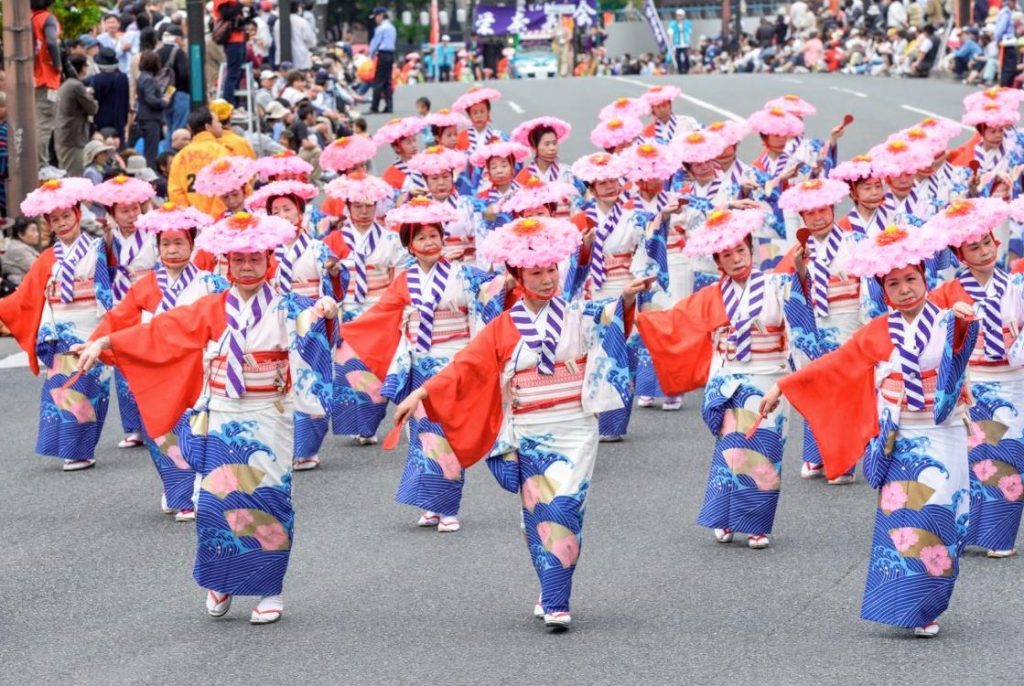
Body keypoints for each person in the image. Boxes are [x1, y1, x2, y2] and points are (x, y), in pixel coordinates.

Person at [74, 210, 339, 625]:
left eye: (255, 259)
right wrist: (106, 341)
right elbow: (161, 331)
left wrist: (325, 310)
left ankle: (269, 588)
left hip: (269, 413)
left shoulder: (288, 307)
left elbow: (312, 326)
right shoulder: (211, 307)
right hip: (222, 412)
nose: (247, 266)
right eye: (238, 260)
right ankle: (222, 577)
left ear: (270, 261)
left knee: (270, 499)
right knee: (217, 499)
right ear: (226, 265)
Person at [393, 216, 648, 631]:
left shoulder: (580, 314)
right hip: (530, 429)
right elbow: (464, 366)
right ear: (517, 274)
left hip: (575, 426)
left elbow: (613, 318)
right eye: (536, 273)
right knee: (539, 510)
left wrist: (627, 300)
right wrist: (420, 393)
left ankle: (555, 594)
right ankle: (553, 592)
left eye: (552, 270)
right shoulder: (504, 326)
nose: (547, 280)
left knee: (566, 507)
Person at [759, 223, 978, 638]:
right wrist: (781, 386)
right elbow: (833, 366)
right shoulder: (878, 331)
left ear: (925, 279)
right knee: (903, 517)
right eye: (894, 284)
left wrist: (964, 325)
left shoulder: (949, 319)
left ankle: (929, 600)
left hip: (943, 430)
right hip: (900, 437)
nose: (905, 289)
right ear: (883, 291)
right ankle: (907, 605)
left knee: (942, 517)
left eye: (911, 279)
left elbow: (960, 349)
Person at [338, 197, 507, 533]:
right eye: (421, 238)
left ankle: (446, 506)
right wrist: (341, 332)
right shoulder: (404, 281)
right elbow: (381, 316)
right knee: (424, 435)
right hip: (419, 365)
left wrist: (509, 283)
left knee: (451, 432)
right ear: (409, 246)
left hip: (456, 363)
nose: (430, 243)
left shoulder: (464, 274)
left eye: (434, 236)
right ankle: (433, 505)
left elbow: (492, 298)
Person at [638, 208, 800, 550]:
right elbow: (673, 323)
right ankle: (726, 517)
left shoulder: (776, 284)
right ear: (718, 261)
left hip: (770, 375)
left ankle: (756, 523)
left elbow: (800, 318)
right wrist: (633, 311)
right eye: (728, 255)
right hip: (731, 378)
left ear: (752, 251)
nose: (737, 259)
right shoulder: (712, 296)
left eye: (741, 251)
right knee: (731, 449)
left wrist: (801, 268)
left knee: (765, 448)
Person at [85, 203, 224, 521]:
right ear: (157, 246)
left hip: (197, 367)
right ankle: (180, 492)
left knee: (199, 428)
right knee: (162, 432)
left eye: (179, 242)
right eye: (166, 243)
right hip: (156, 370)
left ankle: (195, 493)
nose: (172, 250)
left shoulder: (210, 283)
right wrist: (94, 343)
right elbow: (118, 320)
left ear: (192, 243)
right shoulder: (146, 286)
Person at [925, 199, 1024, 559]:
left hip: (1015, 381)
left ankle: (1000, 536)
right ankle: (964, 531)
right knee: (970, 459)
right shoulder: (947, 293)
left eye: (986, 243)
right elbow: (928, 334)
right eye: (973, 247)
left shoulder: (1017, 281)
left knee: (1008, 458)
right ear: (959, 254)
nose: (983, 252)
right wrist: (951, 318)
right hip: (972, 381)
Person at [0, 178, 112, 472]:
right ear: (49, 223)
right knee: (64, 387)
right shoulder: (48, 257)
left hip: (93, 325)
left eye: (66, 216)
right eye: (55, 220)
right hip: (60, 328)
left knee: (90, 385)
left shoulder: (99, 247)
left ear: (77, 215)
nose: (62, 224)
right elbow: (24, 296)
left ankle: (80, 447)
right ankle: (74, 448)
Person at [245, 177, 343, 471]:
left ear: (300, 212)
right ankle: (281, 444)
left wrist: (335, 272)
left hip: (308, 319)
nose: (283, 216)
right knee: (276, 381)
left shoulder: (316, 248)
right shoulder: (262, 250)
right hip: (273, 319)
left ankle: (307, 447)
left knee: (308, 380)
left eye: (288, 209)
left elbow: (334, 284)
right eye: (275, 211)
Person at [323, 172, 407, 444]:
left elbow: (401, 275)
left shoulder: (391, 239)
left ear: (377, 207)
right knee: (350, 367)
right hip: (347, 307)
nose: (362, 211)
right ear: (347, 207)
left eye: (368, 206)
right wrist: (333, 274)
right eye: (356, 206)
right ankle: (359, 422)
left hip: (380, 308)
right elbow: (323, 278)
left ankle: (371, 420)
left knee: (377, 367)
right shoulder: (334, 240)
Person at [167, 108, 231, 215]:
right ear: (207, 126)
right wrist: (214, 217)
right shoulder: (221, 151)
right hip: (216, 220)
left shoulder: (179, 156)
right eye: (217, 121)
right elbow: (226, 188)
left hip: (190, 221)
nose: (220, 124)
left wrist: (190, 218)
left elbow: (175, 192)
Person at [54, 54, 98, 178]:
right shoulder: (76, 86)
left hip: (64, 136)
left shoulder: (67, 84)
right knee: (74, 177)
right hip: (73, 138)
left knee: (66, 174)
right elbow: (93, 108)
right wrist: (90, 96)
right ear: (82, 68)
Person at [32, 0, 62, 166]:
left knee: (38, 122)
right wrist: (58, 65)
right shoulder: (47, 18)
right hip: (47, 76)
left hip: (35, 76)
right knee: (44, 124)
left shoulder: (31, 19)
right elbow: (51, 42)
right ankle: (41, 164)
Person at [86, 48, 131, 143]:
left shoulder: (96, 80)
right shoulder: (123, 78)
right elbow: (126, 101)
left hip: (101, 121)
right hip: (119, 120)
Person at [136, 50, 170, 169]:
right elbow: (150, 99)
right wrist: (163, 101)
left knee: (149, 148)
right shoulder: (149, 79)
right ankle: (151, 174)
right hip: (150, 118)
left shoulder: (142, 77)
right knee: (151, 151)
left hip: (145, 117)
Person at [213, 0, 251, 106]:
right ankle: (228, 104)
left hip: (240, 38)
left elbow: (242, 19)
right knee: (233, 74)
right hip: (231, 40)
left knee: (239, 73)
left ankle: (236, 104)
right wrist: (241, 4)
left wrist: (249, 8)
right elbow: (225, 14)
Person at [157, 25, 190, 147]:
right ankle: (174, 156)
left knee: (170, 127)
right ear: (177, 39)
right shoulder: (178, 52)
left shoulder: (158, 52)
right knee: (179, 129)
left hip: (166, 95)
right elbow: (184, 74)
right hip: (180, 94)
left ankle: (166, 156)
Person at [368, 6, 397, 114]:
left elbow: (375, 43)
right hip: (390, 55)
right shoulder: (392, 27)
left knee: (378, 81)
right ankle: (389, 106)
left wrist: (370, 56)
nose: (375, 19)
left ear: (381, 15)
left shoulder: (381, 28)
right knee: (387, 82)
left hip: (383, 54)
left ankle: (374, 107)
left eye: (376, 16)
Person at [275, 3, 317, 70]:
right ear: (297, 8)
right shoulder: (302, 22)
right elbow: (312, 42)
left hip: (282, 62)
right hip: (301, 62)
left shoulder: (277, 23)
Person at [2, 218, 42, 286]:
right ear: (21, 234)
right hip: (21, 288)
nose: (37, 234)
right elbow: (40, 269)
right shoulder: (18, 249)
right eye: (33, 231)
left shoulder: (24, 245)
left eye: (36, 230)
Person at [994, 0, 1017, 88]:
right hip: (1007, 43)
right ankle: (1004, 87)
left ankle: (1005, 86)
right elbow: (1000, 29)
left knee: (1008, 67)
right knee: (1009, 67)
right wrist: (997, 41)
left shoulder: (1008, 12)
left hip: (1007, 42)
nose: (1015, 4)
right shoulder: (1006, 13)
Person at [669, 9, 693, 74]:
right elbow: (671, 34)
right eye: (677, 15)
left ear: (683, 16)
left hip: (686, 43)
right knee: (678, 58)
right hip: (677, 44)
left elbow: (690, 33)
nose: (679, 17)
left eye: (680, 15)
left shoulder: (688, 23)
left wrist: (690, 43)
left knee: (686, 57)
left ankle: (687, 69)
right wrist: (671, 44)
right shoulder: (672, 24)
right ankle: (680, 71)